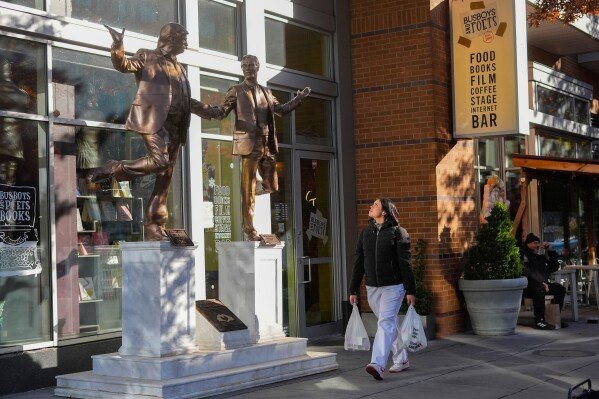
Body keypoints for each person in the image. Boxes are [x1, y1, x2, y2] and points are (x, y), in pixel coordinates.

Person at [92, 23, 221, 240]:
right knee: (159, 162)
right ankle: (115, 168)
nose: (187, 44)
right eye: (183, 39)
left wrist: (207, 111)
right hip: (154, 121)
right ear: (170, 38)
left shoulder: (179, 68)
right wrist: (118, 46)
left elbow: (183, 99)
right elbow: (124, 65)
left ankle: (154, 224)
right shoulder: (147, 56)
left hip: (176, 126)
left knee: (164, 179)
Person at [216, 55, 310, 241]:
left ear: (257, 67)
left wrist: (299, 98)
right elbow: (222, 111)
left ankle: (255, 188)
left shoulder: (266, 91)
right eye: (245, 66)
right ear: (242, 69)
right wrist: (202, 109)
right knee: (248, 191)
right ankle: (249, 228)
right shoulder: (236, 90)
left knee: (272, 185)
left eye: (251, 65)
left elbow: (281, 110)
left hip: (267, 144)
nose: (248, 69)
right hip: (249, 145)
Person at [349, 198, 416, 381]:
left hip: (394, 286)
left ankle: (377, 364)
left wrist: (410, 290)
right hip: (372, 287)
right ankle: (401, 359)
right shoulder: (366, 233)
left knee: (385, 323)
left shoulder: (398, 233)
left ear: (384, 211)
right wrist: (353, 289)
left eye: (376, 205)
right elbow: (359, 262)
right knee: (389, 324)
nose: (371, 207)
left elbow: (405, 263)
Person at [521, 232, 568, 330]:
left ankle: (554, 317)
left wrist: (550, 251)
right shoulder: (524, 255)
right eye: (535, 243)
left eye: (538, 243)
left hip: (543, 285)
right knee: (540, 288)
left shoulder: (540, 258)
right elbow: (526, 271)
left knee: (559, 288)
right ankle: (539, 321)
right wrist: (541, 282)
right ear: (528, 244)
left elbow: (554, 267)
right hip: (528, 286)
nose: (538, 245)